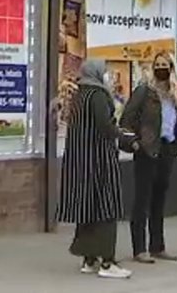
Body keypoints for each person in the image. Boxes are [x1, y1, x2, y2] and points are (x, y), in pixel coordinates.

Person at [55, 59, 132, 279]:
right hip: (99, 161)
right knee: (107, 209)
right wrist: (123, 135)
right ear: (97, 73)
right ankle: (107, 262)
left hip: (81, 162)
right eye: (105, 71)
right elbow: (105, 126)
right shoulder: (97, 95)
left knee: (88, 210)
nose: (108, 75)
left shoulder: (80, 94)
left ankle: (89, 259)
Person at [120, 51, 177, 265]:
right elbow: (127, 119)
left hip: (167, 149)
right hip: (147, 149)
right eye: (157, 65)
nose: (161, 69)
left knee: (159, 200)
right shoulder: (144, 92)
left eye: (164, 65)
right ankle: (139, 248)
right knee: (142, 200)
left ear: (171, 68)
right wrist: (134, 142)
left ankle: (157, 246)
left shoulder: (175, 93)